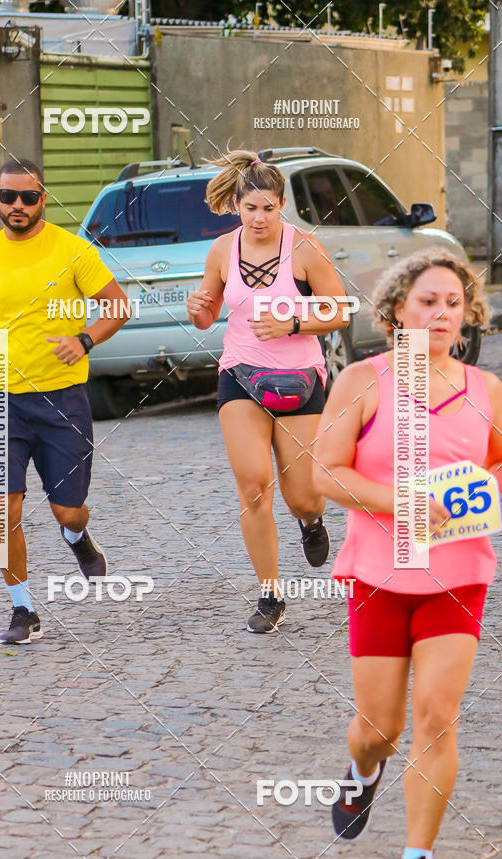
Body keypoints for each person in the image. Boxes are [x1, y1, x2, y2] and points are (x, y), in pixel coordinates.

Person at [314, 249, 501, 859]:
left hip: (459, 572)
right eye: (428, 301)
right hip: (380, 575)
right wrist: (408, 504)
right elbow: (326, 472)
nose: (442, 314)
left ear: (468, 313)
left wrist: (473, 494)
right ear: (397, 309)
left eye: (453, 303)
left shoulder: (487, 391)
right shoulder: (362, 381)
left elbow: (500, 467)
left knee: (437, 717)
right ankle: (363, 772)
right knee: (380, 728)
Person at [0, 158, 130, 645]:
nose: (18, 206)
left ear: (43, 199)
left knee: (68, 510)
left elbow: (117, 306)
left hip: (61, 394)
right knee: (0, 514)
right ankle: (24, 610)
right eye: (9, 197)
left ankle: (77, 537)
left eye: (29, 197)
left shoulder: (71, 250)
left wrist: (84, 339)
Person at [187, 149, 348, 633]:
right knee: (254, 486)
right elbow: (206, 317)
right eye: (250, 208)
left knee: (304, 497)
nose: (259, 217)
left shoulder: (305, 249)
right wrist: (198, 307)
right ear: (237, 204)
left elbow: (340, 311)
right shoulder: (221, 250)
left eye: (268, 208)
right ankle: (270, 595)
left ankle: (311, 523)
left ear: (282, 205)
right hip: (240, 376)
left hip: (301, 380)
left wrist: (293, 322)